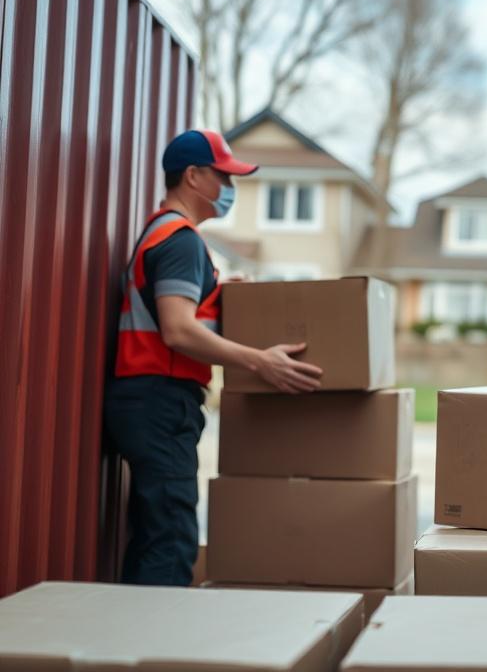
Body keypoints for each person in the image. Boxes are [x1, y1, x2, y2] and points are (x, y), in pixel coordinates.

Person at [104, 129, 324, 587]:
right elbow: (178, 329)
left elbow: (181, 312)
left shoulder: (163, 233)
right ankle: (149, 655)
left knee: (157, 534)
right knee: (171, 541)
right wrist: (260, 361)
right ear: (193, 176)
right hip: (159, 401)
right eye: (224, 177)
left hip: (147, 400)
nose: (230, 189)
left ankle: (131, 644)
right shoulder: (180, 241)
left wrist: (222, 295)